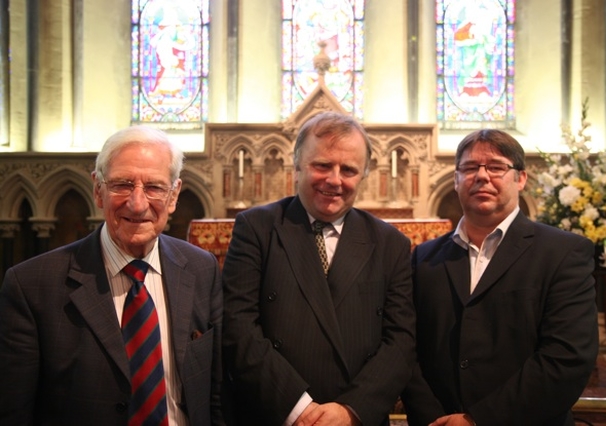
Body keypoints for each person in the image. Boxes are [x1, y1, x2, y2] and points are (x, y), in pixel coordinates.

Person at [0, 125, 224, 425]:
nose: (137, 203)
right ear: (97, 190)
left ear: (173, 196)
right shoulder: (30, 285)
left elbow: (218, 389)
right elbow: (14, 411)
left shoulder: (201, 268)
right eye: (122, 184)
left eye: (155, 187)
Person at [222, 111, 416, 426]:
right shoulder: (257, 228)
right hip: (275, 412)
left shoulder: (389, 243)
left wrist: (351, 410)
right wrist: (299, 409)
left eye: (349, 169)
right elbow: (238, 325)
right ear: (297, 166)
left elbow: (401, 342)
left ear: (363, 174)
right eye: (322, 165)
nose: (334, 180)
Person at [401, 129, 599, 425]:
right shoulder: (425, 258)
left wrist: (477, 420)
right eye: (469, 168)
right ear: (455, 180)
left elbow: (567, 357)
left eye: (496, 167)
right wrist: (433, 417)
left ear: (520, 178)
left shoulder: (563, 253)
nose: (482, 176)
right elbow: (407, 347)